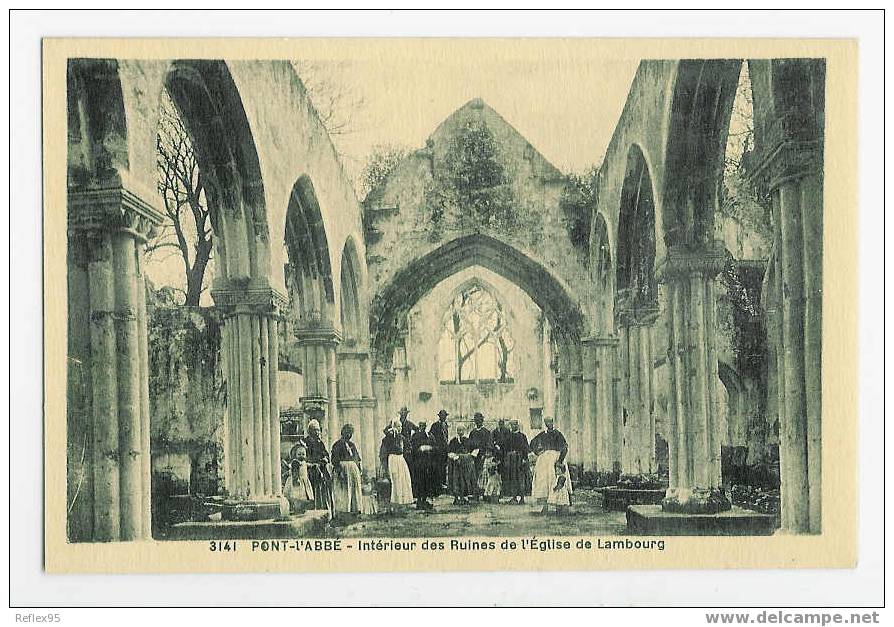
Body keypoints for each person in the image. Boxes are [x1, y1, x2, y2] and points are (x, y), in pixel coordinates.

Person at [530, 416, 572, 514]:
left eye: (550, 422)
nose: (548, 424)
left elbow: (565, 447)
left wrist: (560, 460)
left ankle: (559, 504)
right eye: (546, 422)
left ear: (553, 422)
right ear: (545, 423)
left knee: (555, 480)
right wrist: (537, 452)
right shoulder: (542, 434)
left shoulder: (558, 434)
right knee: (544, 481)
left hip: (556, 458)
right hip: (544, 460)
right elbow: (532, 443)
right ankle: (545, 506)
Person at [379, 419, 414, 513]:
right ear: (394, 427)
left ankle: (402, 503)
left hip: (400, 459)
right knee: (395, 480)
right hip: (393, 459)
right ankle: (394, 504)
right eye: (398, 426)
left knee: (403, 480)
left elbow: (408, 445)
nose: (400, 428)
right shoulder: (390, 436)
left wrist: (406, 451)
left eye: (401, 426)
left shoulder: (401, 437)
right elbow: (384, 444)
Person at [331, 423, 363, 521]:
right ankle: (343, 511)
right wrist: (339, 470)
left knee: (354, 489)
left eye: (350, 433)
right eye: (347, 432)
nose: (349, 435)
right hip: (343, 469)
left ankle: (354, 509)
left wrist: (359, 468)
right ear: (342, 432)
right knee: (344, 490)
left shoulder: (352, 444)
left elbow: (357, 457)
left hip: (353, 470)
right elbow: (334, 459)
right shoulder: (337, 444)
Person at [304, 419, 333, 515]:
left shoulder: (320, 442)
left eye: (318, 430)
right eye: (315, 430)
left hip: (321, 469)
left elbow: (326, 454)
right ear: (310, 431)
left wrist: (325, 458)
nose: (317, 432)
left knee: (324, 489)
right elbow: (303, 456)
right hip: (311, 471)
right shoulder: (305, 442)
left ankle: (325, 511)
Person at [409, 420, 439, 510]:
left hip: (428, 463)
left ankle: (426, 500)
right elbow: (412, 448)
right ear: (419, 426)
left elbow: (436, 447)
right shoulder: (414, 436)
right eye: (421, 426)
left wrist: (429, 448)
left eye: (424, 426)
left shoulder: (430, 436)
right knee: (419, 482)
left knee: (428, 482)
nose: (422, 427)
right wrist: (419, 449)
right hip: (418, 463)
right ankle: (419, 501)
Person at [503, 419, 532, 504]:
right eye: (512, 425)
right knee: (512, 478)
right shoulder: (508, 436)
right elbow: (505, 448)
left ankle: (522, 498)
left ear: (517, 425)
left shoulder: (522, 436)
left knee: (521, 478)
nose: (513, 426)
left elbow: (526, 448)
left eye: (515, 425)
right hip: (511, 460)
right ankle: (514, 497)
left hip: (520, 459)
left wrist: (524, 459)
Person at [446, 425, 477, 504]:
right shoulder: (453, 441)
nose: (460, 432)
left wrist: (470, 457)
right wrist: (455, 458)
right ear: (457, 431)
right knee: (456, 480)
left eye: (461, 430)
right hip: (455, 464)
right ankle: (456, 497)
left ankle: (465, 497)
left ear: (464, 431)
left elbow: (475, 449)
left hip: (465, 464)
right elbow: (449, 451)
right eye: (458, 430)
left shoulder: (468, 440)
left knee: (465, 479)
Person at [283, 443, 314, 514]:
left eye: (303, 454)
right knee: (297, 496)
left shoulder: (303, 462)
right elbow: (295, 472)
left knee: (303, 496)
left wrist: (312, 465)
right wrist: (296, 479)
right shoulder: (295, 463)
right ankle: (297, 508)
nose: (301, 456)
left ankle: (301, 508)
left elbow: (307, 465)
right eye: (299, 454)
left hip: (304, 481)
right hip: (297, 482)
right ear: (295, 455)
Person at [467, 412, 493, 497]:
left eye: (479, 420)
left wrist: (485, 454)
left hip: (482, 456)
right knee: (474, 474)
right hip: (474, 456)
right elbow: (469, 444)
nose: (477, 422)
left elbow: (489, 444)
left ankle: (484, 492)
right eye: (476, 420)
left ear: (482, 421)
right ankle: (475, 492)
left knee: (483, 474)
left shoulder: (486, 432)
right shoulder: (472, 432)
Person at [429, 409, 450, 490]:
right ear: (439, 416)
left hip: (445, 449)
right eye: (442, 416)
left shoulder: (446, 425)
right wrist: (435, 445)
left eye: (445, 416)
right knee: (438, 466)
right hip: (438, 449)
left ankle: (444, 482)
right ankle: (438, 483)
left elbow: (446, 437)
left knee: (444, 466)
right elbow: (431, 435)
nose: (444, 417)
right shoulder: (435, 425)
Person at [492, 418, 512, 492]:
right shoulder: (494, 431)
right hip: (497, 454)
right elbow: (492, 440)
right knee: (497, 472)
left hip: (505, 453)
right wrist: (496, 445)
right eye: (499, 423)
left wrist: (499, 444)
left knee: (505, 471)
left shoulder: (507, 431)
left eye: (502, 423)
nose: (500, 424)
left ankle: (505, 489)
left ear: (503, 423)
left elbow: (508, 441)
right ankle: (498, 490)